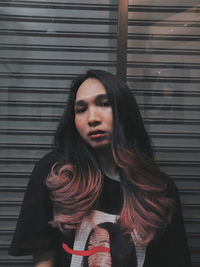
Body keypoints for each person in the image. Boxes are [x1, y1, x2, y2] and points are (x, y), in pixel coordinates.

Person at [9, 69, 192, 267]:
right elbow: (44, 258)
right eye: (81, 109)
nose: (92, 118)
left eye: (104, 104)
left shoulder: (160, 188)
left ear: (123, 110)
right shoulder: (54, 173)